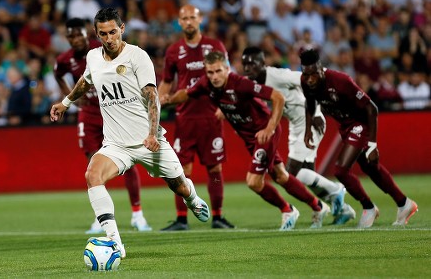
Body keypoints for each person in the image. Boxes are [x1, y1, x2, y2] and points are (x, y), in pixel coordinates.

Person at [50, 7, 211, 259]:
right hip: (116, 144)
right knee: (92, 175)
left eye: (113, 32)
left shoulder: (137, 56)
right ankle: (115, 243)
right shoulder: (93, 57)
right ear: (96, 33)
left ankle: (192, 198)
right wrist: (65, 103)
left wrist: (152, 134)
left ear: (122, 29)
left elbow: (152, 96)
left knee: (178, 186)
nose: (109, 38)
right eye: (103, 34)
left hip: (148, 141)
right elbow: (85, 81)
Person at [162, 51, 331, 230]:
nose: (214, 76)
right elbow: (187, 94)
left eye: (218, 71)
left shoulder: (241, 84)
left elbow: (278, 97)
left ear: (227, 69)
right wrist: (170, 99)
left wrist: (270, 128)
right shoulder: (207, 84)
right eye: (210, 72)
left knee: (253, 181)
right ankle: (318, 206)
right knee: (280, 175)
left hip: (264, 133)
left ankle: (287, 209)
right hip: (251, 138)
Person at [299, 48, 418, 228]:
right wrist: (308, 130)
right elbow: (310, 104)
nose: (309, 79)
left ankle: (368, 207)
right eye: (306, 75)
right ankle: (404, 203)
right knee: (371, 168)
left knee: (340, 170)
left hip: (360, 123)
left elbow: (372, 109)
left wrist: (372, 144)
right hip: (345, 126)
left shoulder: (341, 81)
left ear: (321, 69)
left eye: (313, 74)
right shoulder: (306, 82)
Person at [54, 17, 152, 233]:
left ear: (87, 34)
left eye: (78, 34)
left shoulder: (101, 50)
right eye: (70, 36)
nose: (75, 39)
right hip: (88, 115)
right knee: (93, 165)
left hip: (114, 111)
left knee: (128, 162)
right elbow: (58, 74)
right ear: (67, 39)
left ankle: (137, 214)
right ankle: (102, 217)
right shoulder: (65, 59)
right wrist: (68, 97)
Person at [241, 47, 356, 224]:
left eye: (252, 64)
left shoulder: (278, 75)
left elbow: (312, 82)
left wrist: (316, 111)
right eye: (245, 65)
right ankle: (344, 210)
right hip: (296, 125)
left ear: (263, 63)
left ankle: (336, 190)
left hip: (309, 120)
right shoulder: (250, 83)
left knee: (291, 173)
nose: (248, 68)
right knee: (307, 175)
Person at [158, 4, 234, 230]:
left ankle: (218, 217)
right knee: (180, 170)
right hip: (185, 118)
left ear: (200, 19)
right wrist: (159, 100)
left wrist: (226, 104)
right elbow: (167, 82)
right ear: (179, 22)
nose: (189, 21)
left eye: (192, 17)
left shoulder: (214, 46)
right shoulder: (174, 51)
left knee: (215, 169)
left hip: (211, 116)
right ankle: (182, 219)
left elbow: (228, 75)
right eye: (184, 18)